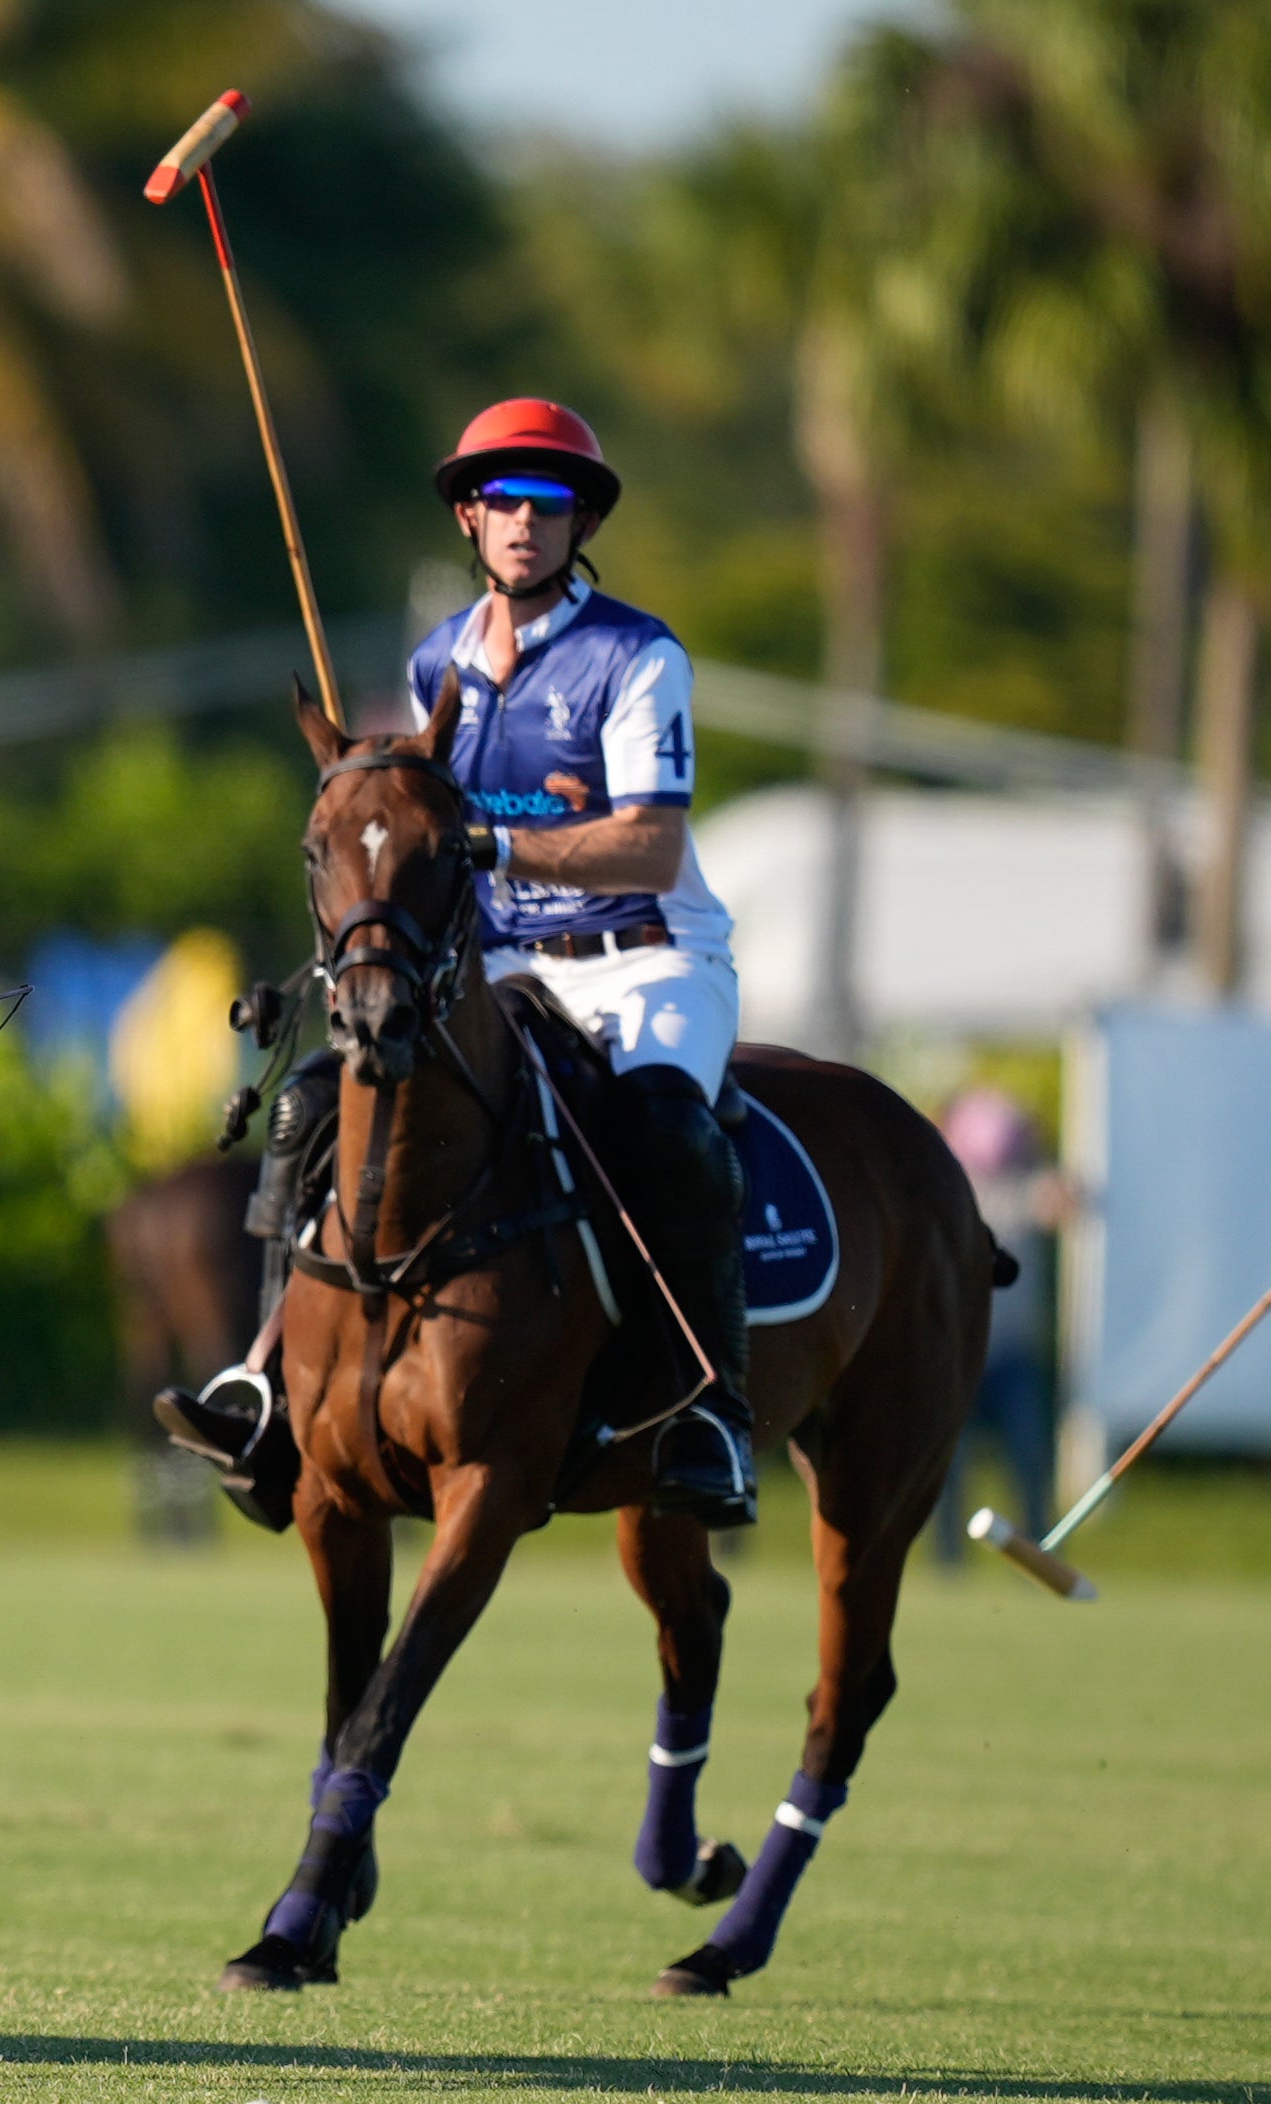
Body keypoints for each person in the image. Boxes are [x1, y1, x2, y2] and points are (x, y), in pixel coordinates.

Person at [163, 397, 760, 1526]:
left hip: (641, 960)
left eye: (549, 502)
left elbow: (654, 839)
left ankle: (710, 1412)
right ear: (471, 521)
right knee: (307, 1112)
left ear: (580, 520)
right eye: (503, 502)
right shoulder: (438, 659)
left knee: (669, 1134)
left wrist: (490, 840)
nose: (525, 522)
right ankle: (264, 1384)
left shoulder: (636, 656)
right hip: (488, 965)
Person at [933, 1081, 1065, 1558]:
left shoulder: (1026, 1184)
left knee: (1030, 1463)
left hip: (1013, 1354)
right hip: (958, 1356)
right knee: (947, 1470)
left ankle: (1040, 1550)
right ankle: (948, 1560)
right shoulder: (948, 1189)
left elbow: (1059, 1201)